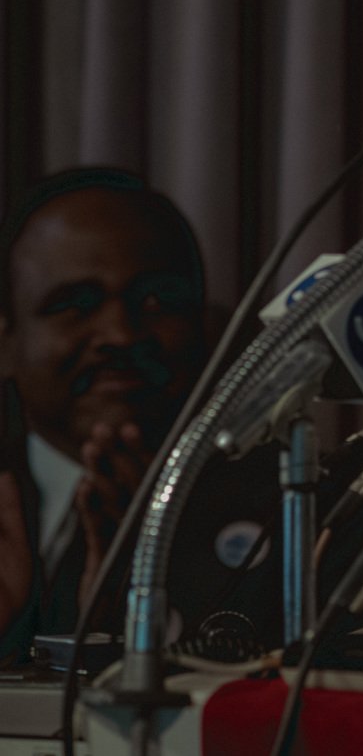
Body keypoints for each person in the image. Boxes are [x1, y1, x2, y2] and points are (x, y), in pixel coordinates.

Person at [0, 168, 208, 660]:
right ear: (6, 340)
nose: (120, 334)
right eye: (75, 303)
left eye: (156, 299)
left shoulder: (293, 516)